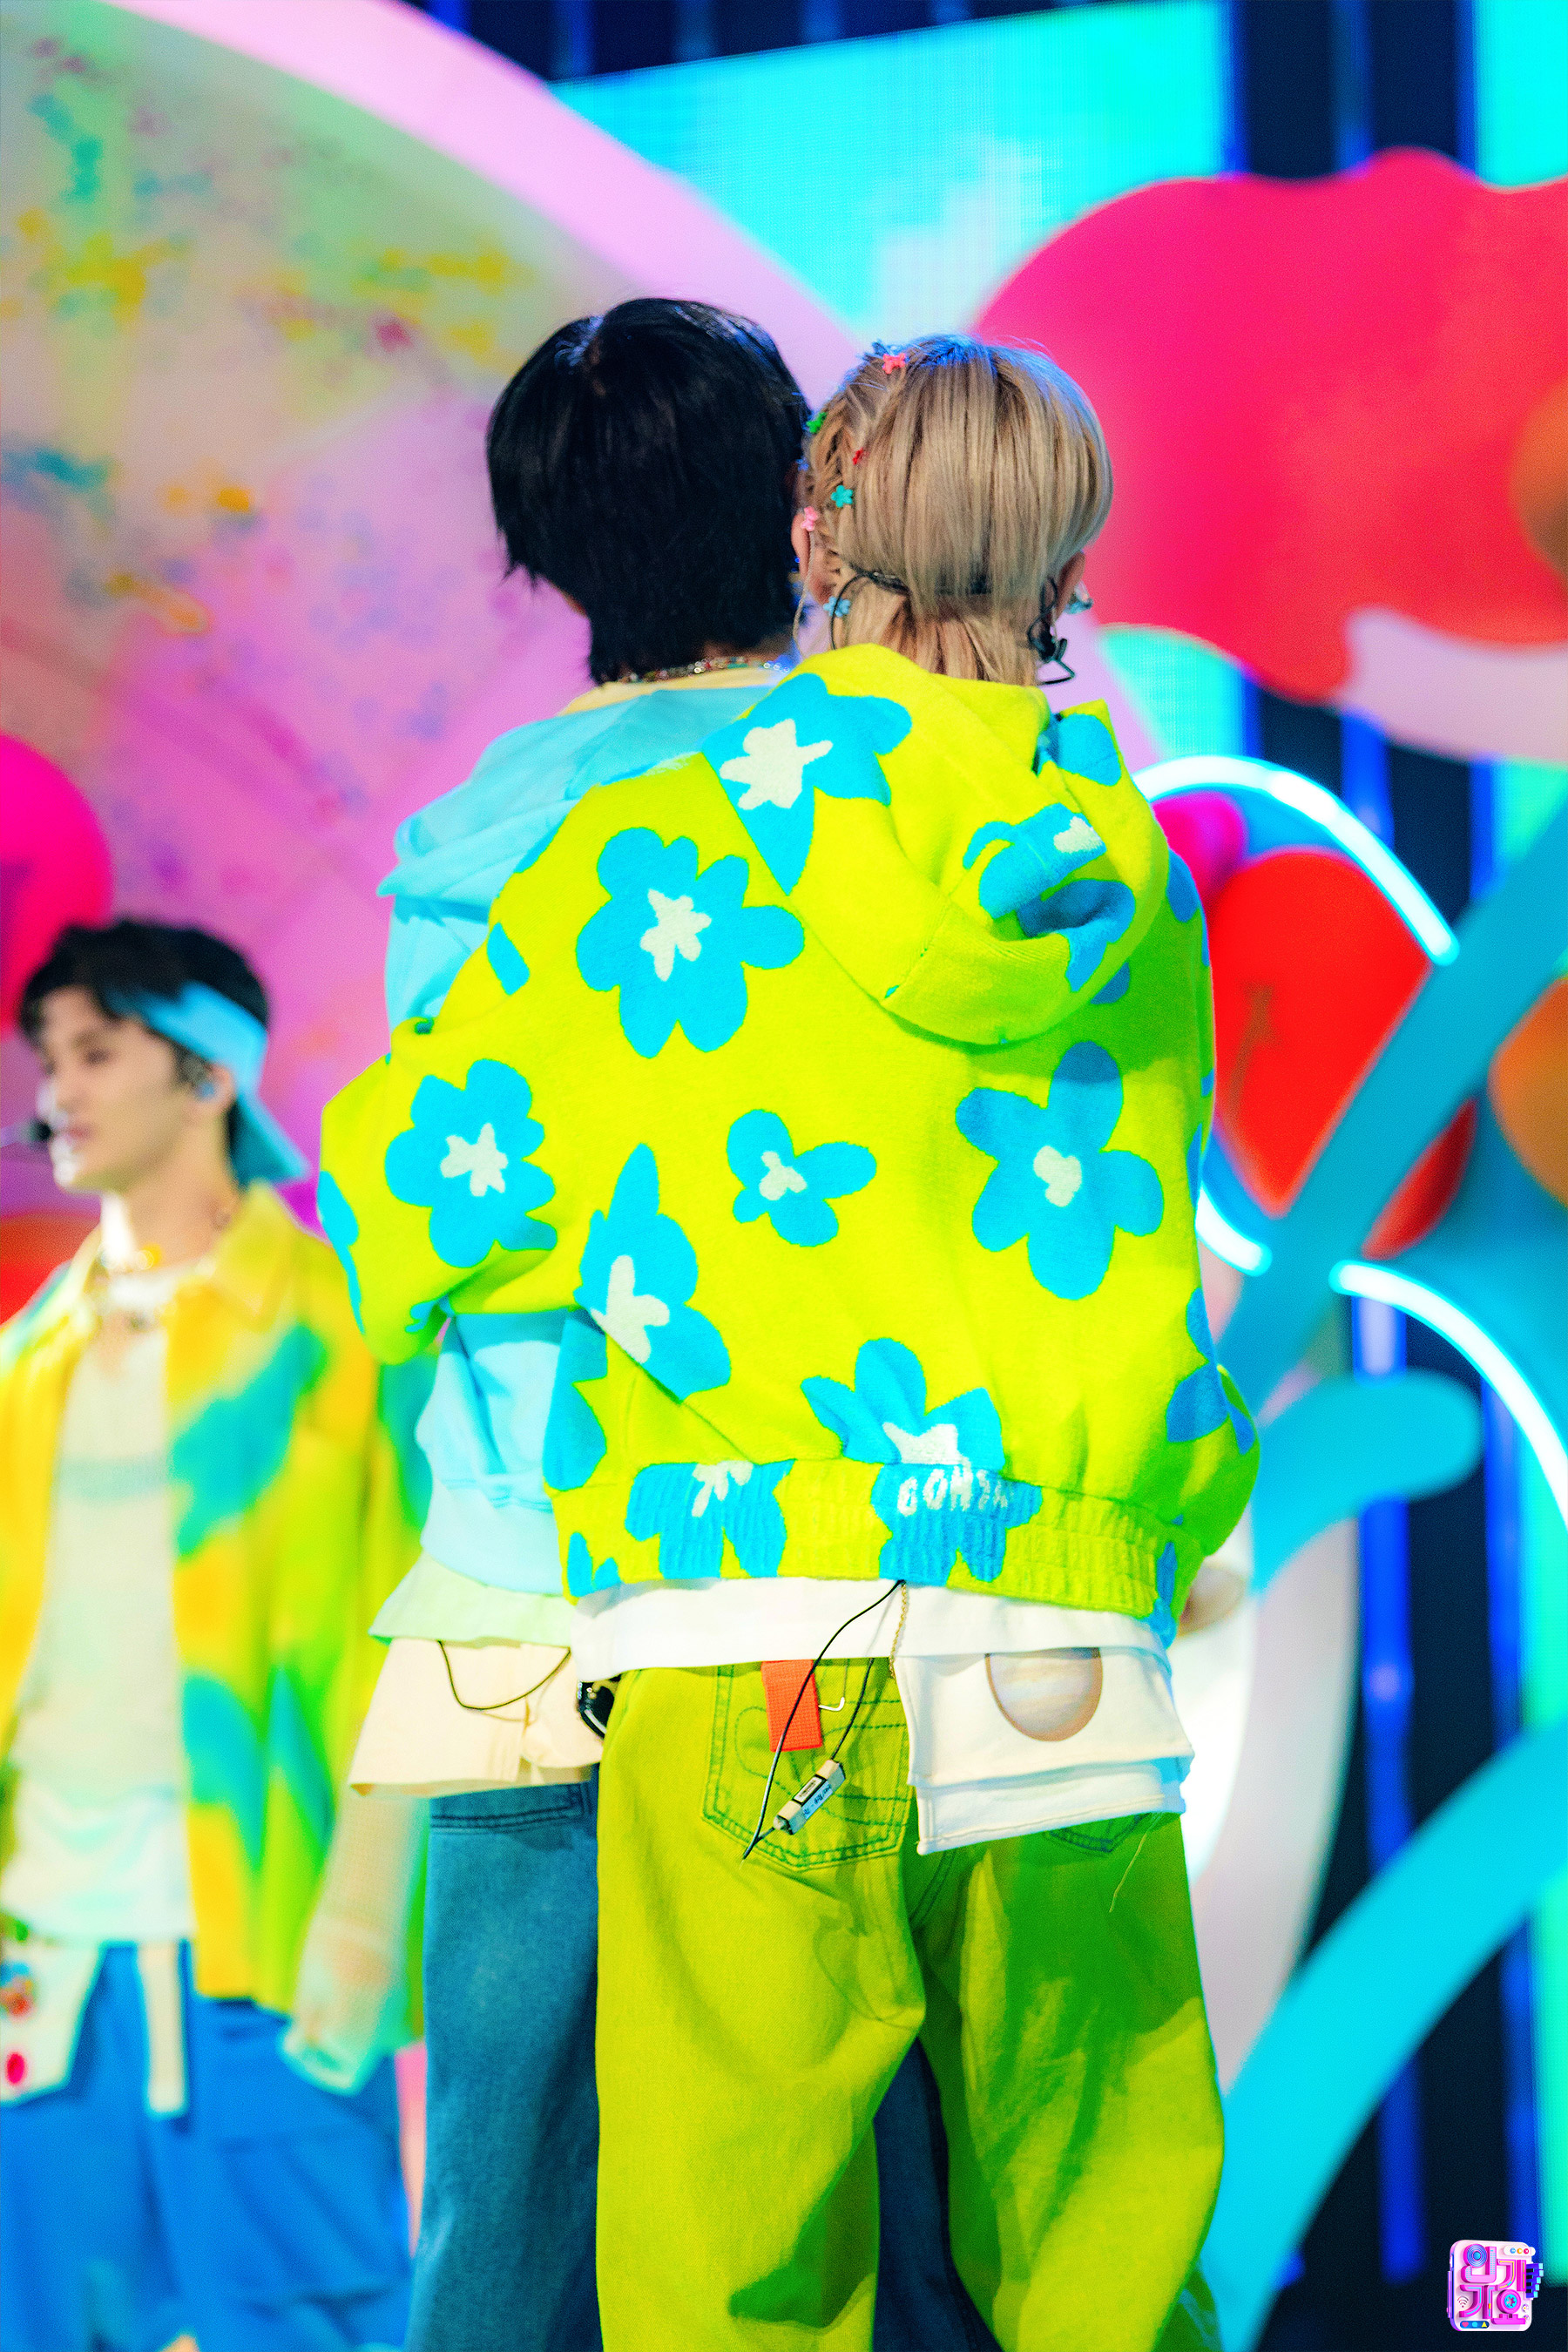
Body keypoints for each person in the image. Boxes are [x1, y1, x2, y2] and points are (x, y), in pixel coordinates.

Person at [323, 332, 1258, 2351]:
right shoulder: (1121, 874)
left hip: (746, 1624)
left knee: (735, 2246)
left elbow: (426, 1184)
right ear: (1066, 556)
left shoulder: (644, 855)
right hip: (1059, 1627)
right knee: (1101, 2245)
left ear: (817, 534)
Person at [340, 298, 997, 2352]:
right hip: (820, 1565)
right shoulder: (890, 795)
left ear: (541, 553)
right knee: (877, 2161)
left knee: (512, 2188)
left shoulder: (466, 851)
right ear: (811, 508)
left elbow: (432, 1220)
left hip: (518, 1575)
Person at [0, 919, 429, 2352]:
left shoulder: (341, 1328)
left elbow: (409, 1640)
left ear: (208, 1072)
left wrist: (368, 1922)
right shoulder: (29, 1357)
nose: (57, 1089)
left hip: (265, 1948)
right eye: (48, 1057)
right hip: (41, 1956)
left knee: (311, 2323)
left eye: (95, 1052)